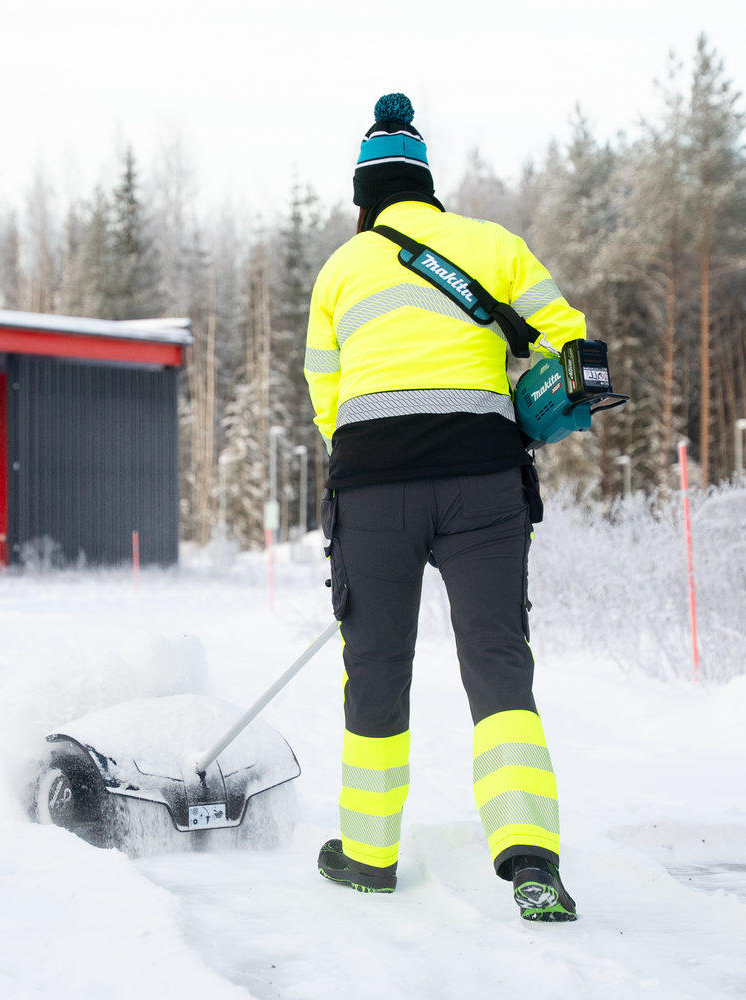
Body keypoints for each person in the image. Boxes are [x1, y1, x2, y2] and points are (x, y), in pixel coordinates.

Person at [304, 93, 581, 920]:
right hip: (483, 485)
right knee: (497, 660)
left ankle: (367, 857)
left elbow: (327, 398)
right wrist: (526, 398)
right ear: (427, 183)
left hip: (374, 491)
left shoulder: (340, 269)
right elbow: (573, 348)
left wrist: (373, 464)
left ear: (365, 196)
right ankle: (531, 861)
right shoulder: (493, 246)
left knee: (376, 669)